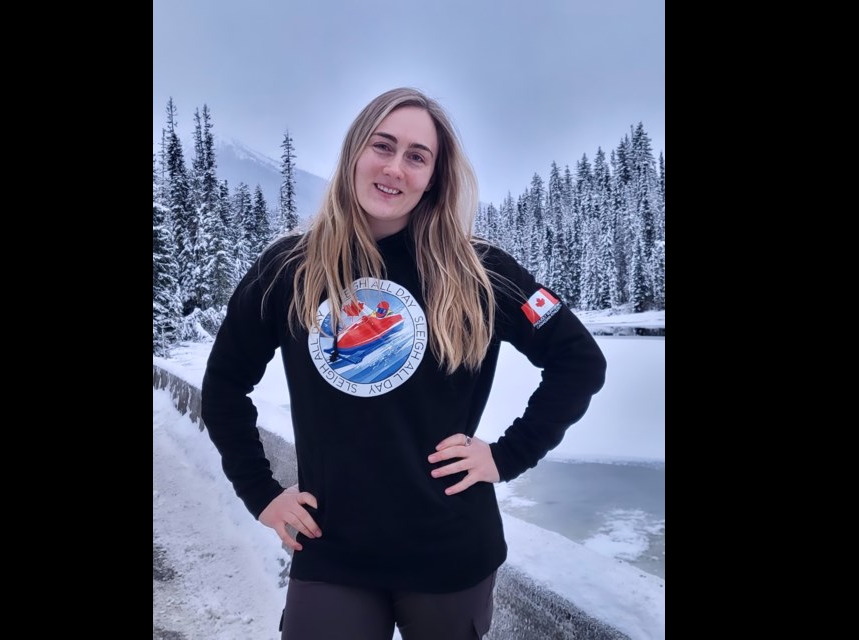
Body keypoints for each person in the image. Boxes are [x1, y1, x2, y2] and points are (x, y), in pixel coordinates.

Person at [201, 87, 607, 640]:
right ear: (353, 154)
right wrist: (262, 494)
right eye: (382, 146)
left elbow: (579, 361)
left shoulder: (481, 271)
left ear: (435, 175)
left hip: (449, 552)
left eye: (417, 156)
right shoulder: (289, 268)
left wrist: (507, 454)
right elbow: (224, 386)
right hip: (332, 548)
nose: (395, 168)